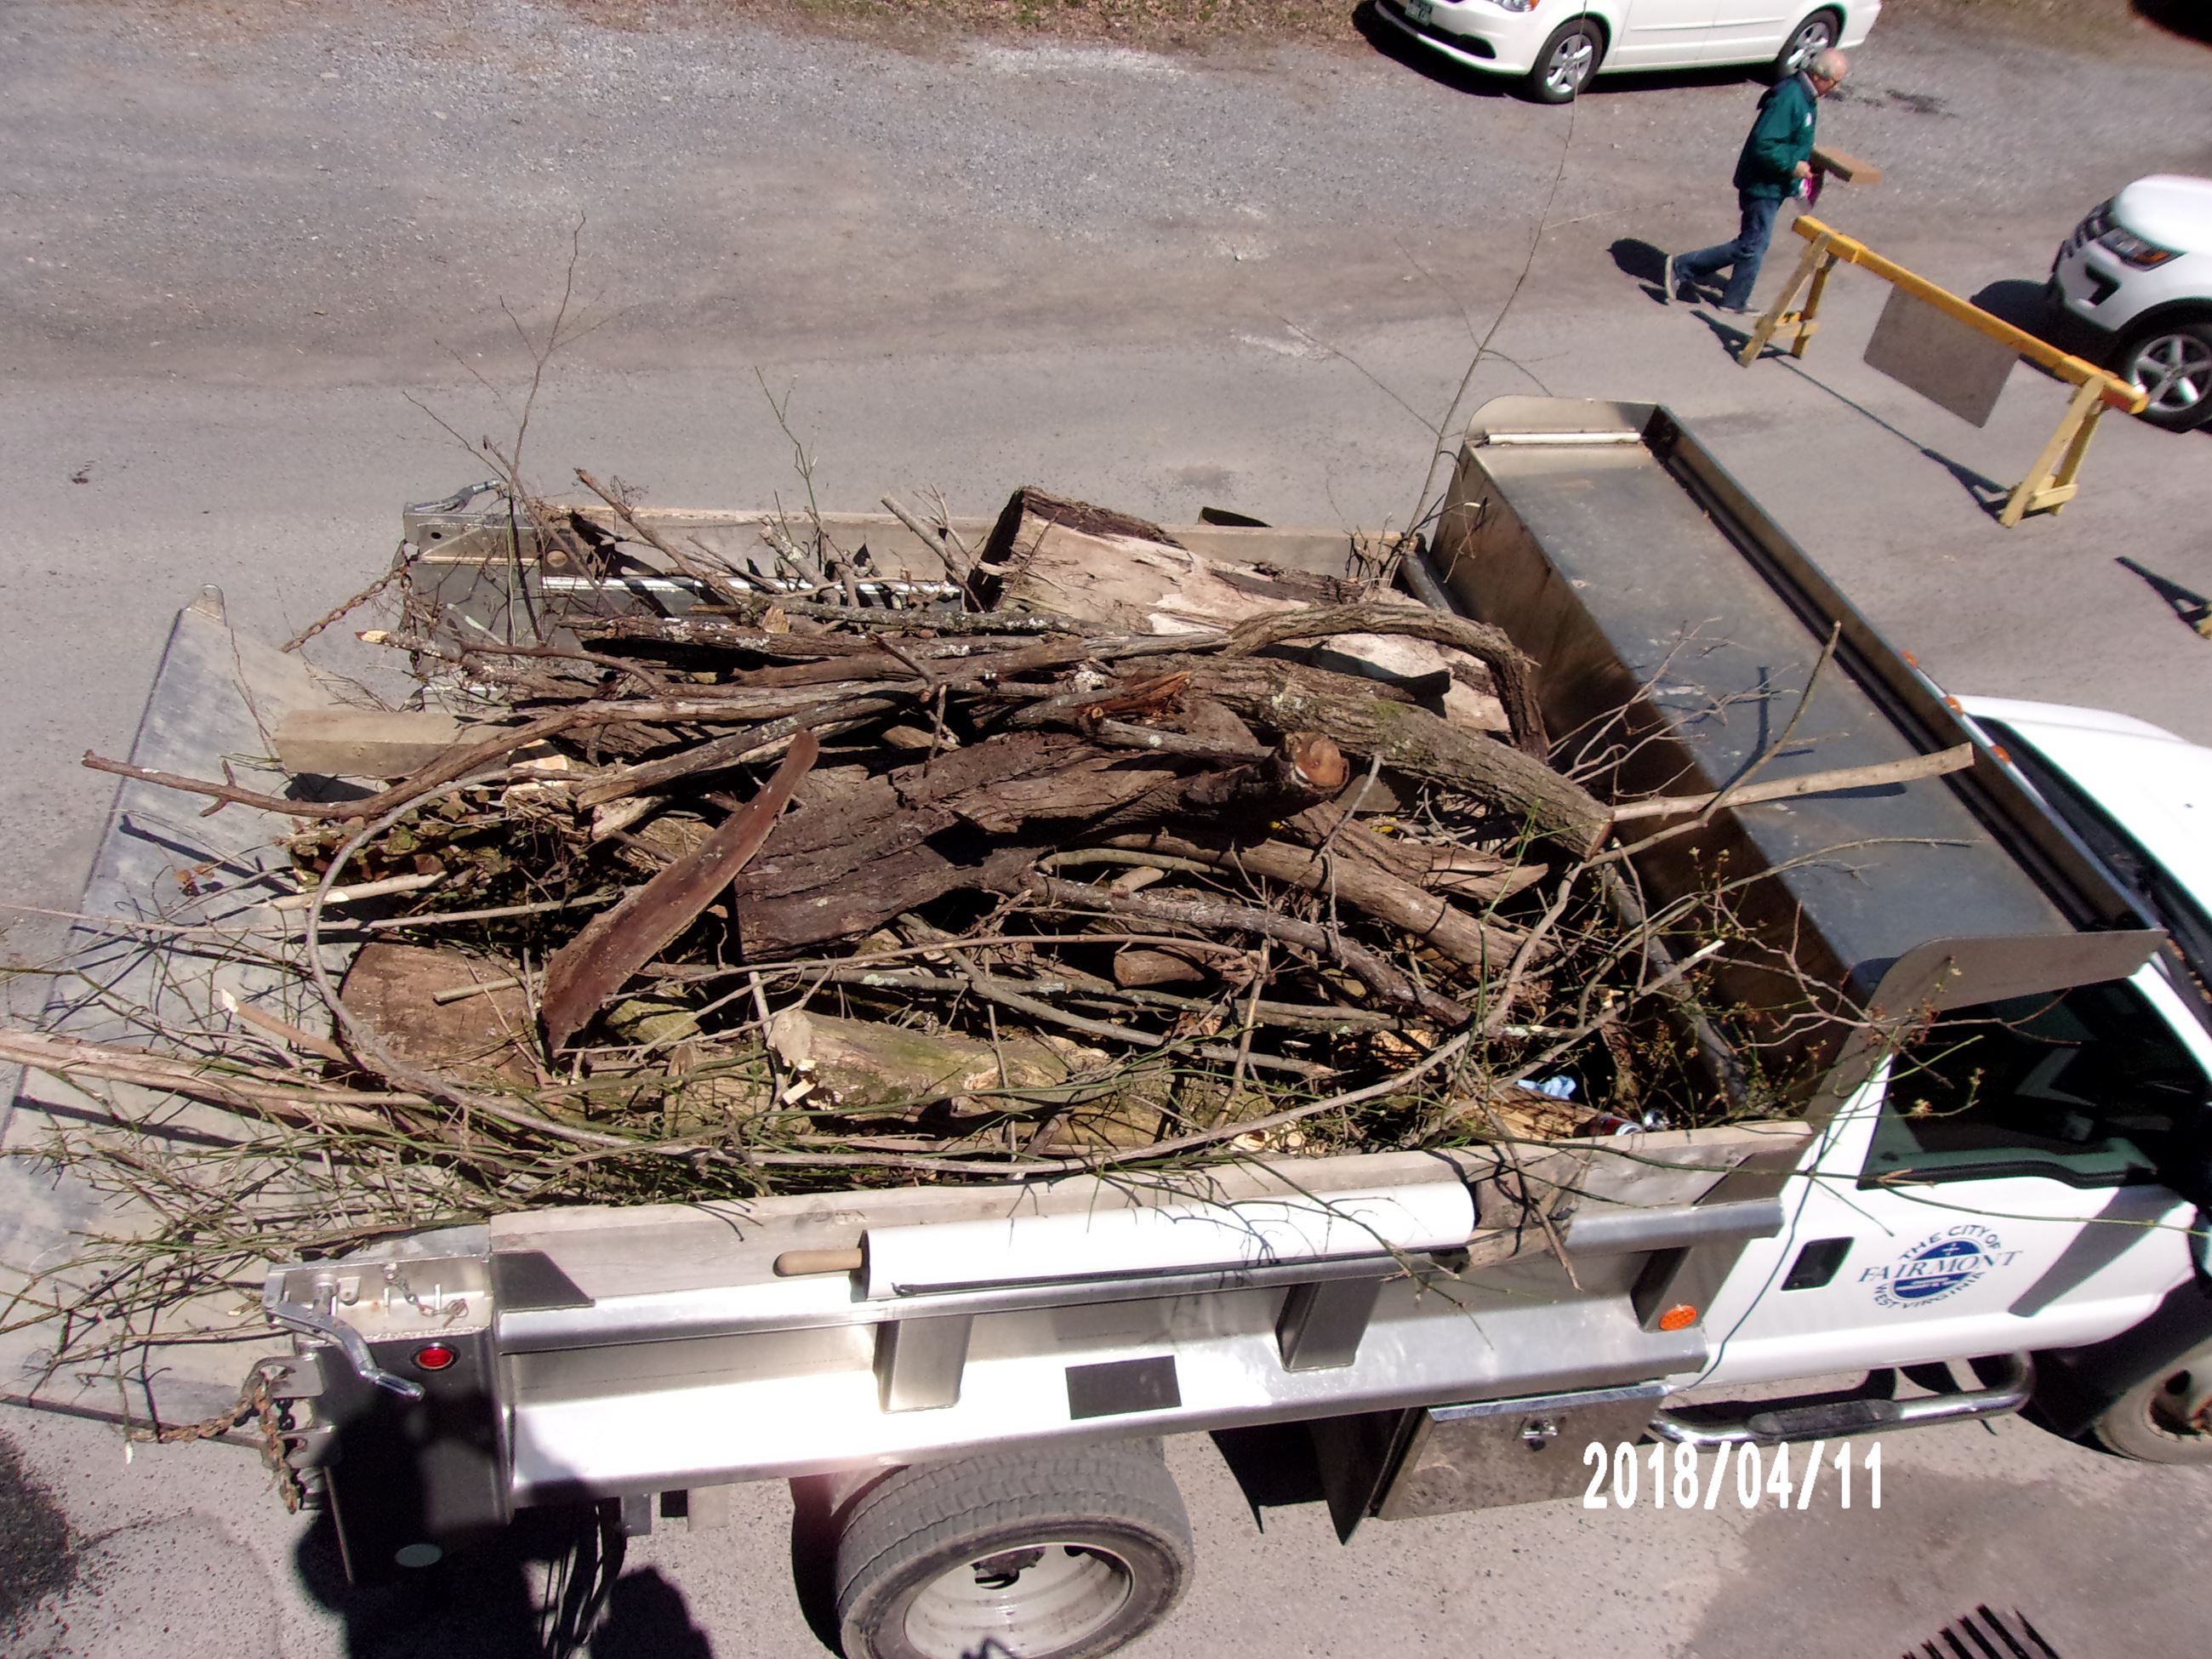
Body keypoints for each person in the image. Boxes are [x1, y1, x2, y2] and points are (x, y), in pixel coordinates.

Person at [1666, 48, 1848, 315]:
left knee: (1756, 242)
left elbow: (1789, 136)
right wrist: (1793, 165)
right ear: (1820, 76)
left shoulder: (1805, 97)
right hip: (1762, 183)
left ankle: (1735, 299)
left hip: (1774, 183)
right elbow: (1764, 145)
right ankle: (1682, 266)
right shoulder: (1790, 98)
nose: (1836, 87)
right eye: (1835, 81)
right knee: (1752, 244)